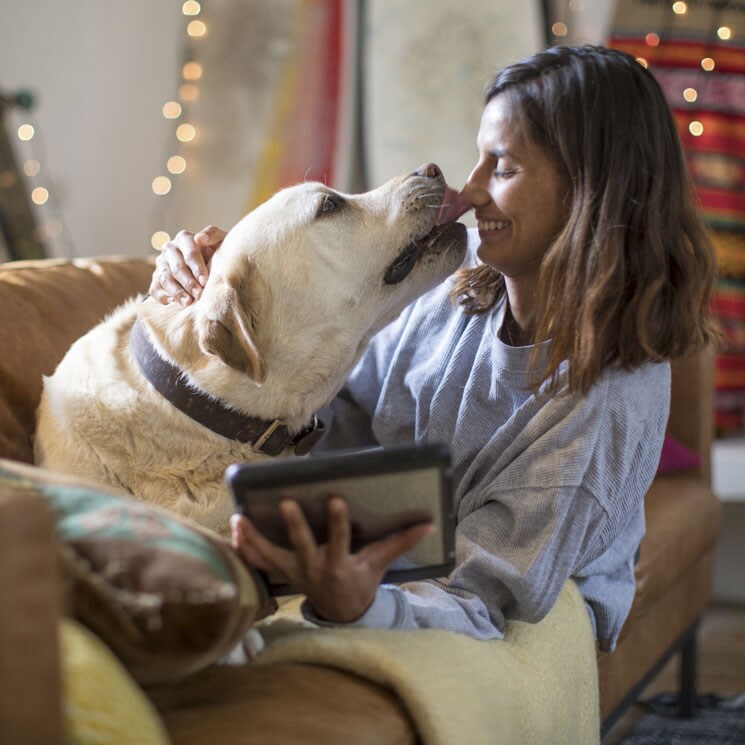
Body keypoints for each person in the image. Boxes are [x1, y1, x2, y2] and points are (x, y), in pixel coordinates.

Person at [149, 45, 718, 651]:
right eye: (481, 160)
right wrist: (209, 282)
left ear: (590, 191)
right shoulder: (452, 277)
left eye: (502, 168)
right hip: (389, 532)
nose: (470, 190)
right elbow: (323, 399)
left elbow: (483, 592)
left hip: (498, 583)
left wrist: (361, 603)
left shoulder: (603, 404)